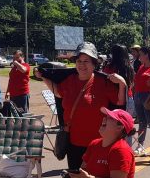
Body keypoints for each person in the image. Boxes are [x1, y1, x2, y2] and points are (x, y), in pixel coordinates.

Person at [42, 42, 127, 170]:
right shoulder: (69, 81)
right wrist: (43, 77)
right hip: (73, 143)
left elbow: (119, 104)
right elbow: (58, 93)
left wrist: (122, 83)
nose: (82, 65)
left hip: (98, 144)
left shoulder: (103, 83)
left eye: (86, 61)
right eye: (79, 61)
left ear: (94, 64)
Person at [132, 45, 150, 157]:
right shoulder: (141, 67)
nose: (139, 57)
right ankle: (140, 146)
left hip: (148, 97)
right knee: (142, 122)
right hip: (138, 96)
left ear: (147, 55)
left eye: (141, 55)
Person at [103, 44, 135, 110]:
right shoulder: (129, 67)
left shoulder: (109, 67)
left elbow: (105, 83)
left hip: (113, 99)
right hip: (127, 97)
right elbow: (132, 83)